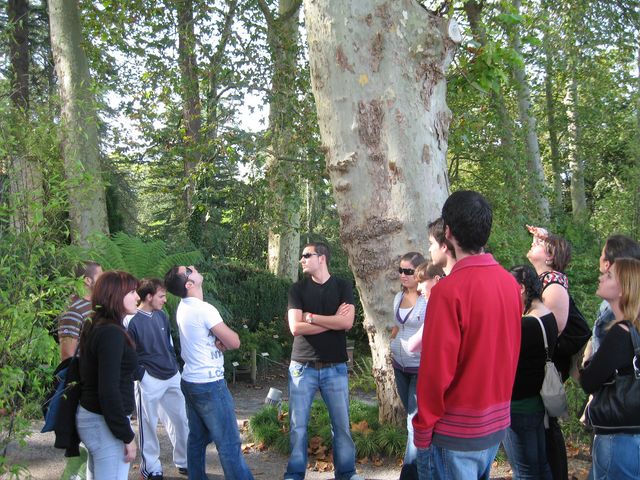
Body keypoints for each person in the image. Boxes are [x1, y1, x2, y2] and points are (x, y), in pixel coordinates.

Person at [413, 190, 522, 479]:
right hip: (494, 426)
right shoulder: (510, 284)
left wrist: (422, 428)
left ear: (447, 232)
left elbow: (435, 371)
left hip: (455, 432)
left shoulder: (448, 292)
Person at [164, 265, 253, 480]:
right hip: (209, 384)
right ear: (189, 283)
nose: (193, 268)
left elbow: (204, 338)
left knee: (197, 438)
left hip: (191, 381)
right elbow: (235, 341)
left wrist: (216, 341)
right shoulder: (205, 309)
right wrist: (224, 339)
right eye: (188, 270)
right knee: (229, 442)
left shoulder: (183, 307)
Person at [285, 242, 362, 480]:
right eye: (301, 256)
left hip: (335, 368)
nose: (302, 259)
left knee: (341, 426)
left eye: (307, 255)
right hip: (302, 367)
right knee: (298, 427)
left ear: (322, 258)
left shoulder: (342, 286)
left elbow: (347, 324)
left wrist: (313, 318)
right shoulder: (296, 290)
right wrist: (331, 322)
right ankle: (295, 474)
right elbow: (296, 327)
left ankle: (347, 473)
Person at [580, 257, 640, 479]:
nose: (600, 276)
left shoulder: (621, 333)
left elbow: (588, 382)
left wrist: (584, 362)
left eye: (609, 275)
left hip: (619, 439)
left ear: (623, 289)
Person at [76, 271, 139, 479]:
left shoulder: (97, 324)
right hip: (104, 423)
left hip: (96, 419)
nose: (137, 297)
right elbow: (108, 390)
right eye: (131, 292)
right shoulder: (110, 333)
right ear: (114, 295)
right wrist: (126, 435)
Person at [127, 278, 189, 479]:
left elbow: (169, 344)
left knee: (181, 419)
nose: (165, 300)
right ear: (148, 296)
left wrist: (175, 366)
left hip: (171, 376)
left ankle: (184, 460)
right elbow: (128, 354)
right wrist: (141, 376)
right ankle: (152, 468)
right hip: (148, 379)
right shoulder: (131, 319)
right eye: (161, 296)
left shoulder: (162, 315)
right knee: (148, 424)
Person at [503, 265, 557, 480]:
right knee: (540, 466)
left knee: (524, 471)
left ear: (521, 288)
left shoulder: (526, 325)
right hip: (537, 402)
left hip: (518, 405)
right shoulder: (547, 316)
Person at [389, 252, 426, 479]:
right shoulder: (397, 297)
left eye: (408, 271)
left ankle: (409, 474)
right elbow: (396, 326)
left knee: (414, 421)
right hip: (399, 367)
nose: (403, 275)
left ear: (419, 272)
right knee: (410, 419)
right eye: (400, 271)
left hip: (420, 368)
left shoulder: (427, 299)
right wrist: (391, 342)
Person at [589, 235, 640, 355]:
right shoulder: (631, 301)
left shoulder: (615, 310)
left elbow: (604, 361)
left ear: (607, 264)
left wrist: (587, 366)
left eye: (602, 254)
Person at [58, 261, 103, 361]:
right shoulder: (74, 310)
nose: (104, 281)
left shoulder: (98, 305)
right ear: (87, 280)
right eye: (101, 277)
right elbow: (67, 355)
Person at [407, 262, 444, 353]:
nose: (418, 288)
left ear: (436, 280)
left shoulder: (440, 309)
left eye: (421, 282)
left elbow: (413, 346)